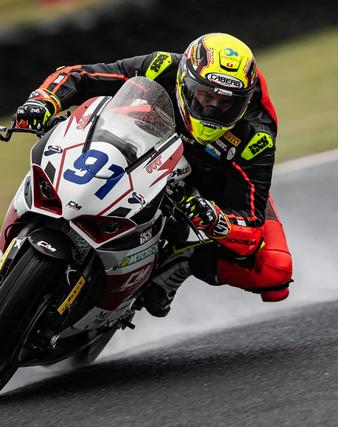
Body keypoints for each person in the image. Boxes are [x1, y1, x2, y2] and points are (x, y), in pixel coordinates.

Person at [15, 33, 293, 317]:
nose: (212, 108)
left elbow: (250, 227)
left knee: (275, 271)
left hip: (215, 180)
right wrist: (44, 101)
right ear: (185, 80)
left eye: (226, 104)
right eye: (205, 96)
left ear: (244, 103)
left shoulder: (257, 136)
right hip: (150, 143)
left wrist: (216, 221)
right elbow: (80, 75)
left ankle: (181, 261)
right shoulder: (163, 67)